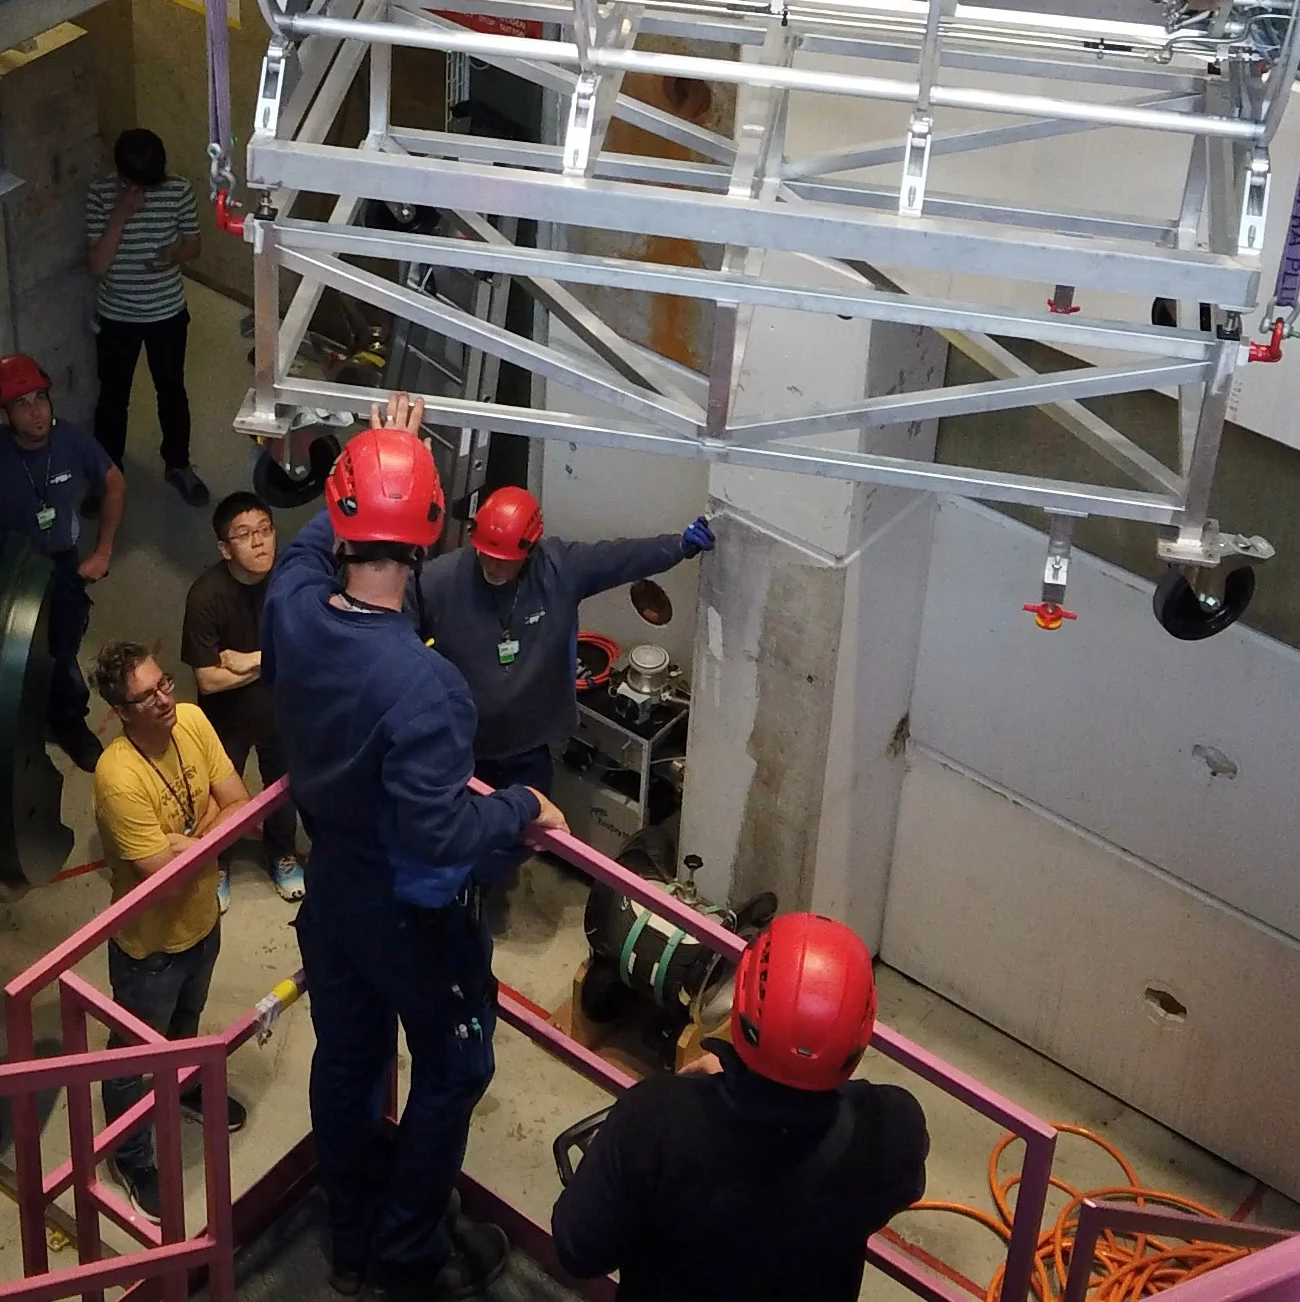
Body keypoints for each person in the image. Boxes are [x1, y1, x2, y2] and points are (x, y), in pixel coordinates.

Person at [263, 396, 569, 1301]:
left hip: (333, 888)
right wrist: (522, 804)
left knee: (348, 1056)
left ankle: (351, 1239)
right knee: (457, 1063)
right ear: (433, 530)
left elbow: (312, 544)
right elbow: (441, 829)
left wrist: (376, 451)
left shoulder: (290, 609)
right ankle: (404, 1253)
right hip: (408, 909)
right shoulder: (426, 687)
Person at [552, 912, 929, 1302]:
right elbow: (902, 1184)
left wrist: (610, 1151)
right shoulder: (891, 1134)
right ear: (859, 1034)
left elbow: (579, 1250)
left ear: (741, 1001)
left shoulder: (653, 1123)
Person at [410, 487, 716, 799]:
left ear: (529, 550)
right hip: (463, 746)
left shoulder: (559, 570)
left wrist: (678, 546)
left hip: (528, 744)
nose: (492, 566)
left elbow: (620, 557)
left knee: (528, 828)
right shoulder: (439, 582)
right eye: (485, 554)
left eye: (504, 560)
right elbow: (389, 629)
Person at [92, 642, 250, 1217]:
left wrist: (191, 841)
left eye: (164, 685)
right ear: (122, 712)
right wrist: (209, 830)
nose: (164, 699)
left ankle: (182, 1084)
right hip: (148, 947)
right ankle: (131, 1158)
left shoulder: (193, 719)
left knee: (187, 1021)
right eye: (146, 696)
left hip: (203, 922)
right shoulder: (117, 777)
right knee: (130, 1062)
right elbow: (164, 877)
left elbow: (240, 802)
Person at [0, 355, 123, 771]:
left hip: (61, 566)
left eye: (41, 398)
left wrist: (104, 551)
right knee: (9, 657)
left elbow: (114, 482)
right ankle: (19, 722)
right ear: (4, 412)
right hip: (5, 575)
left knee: (62, 651)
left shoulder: (73, 442)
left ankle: (69, 721)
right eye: (22, 403)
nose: (37, 411)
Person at [180, 492, 303, 908]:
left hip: (282, 712)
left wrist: (252, 660)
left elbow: (308, 647)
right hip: (224, 722)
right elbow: (209, 680)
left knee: (283, 790)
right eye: (245, 535)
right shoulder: (205, 596)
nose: (259, 543)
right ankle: (218, 864)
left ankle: (282, 854)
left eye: (265, 530)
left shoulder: (290, 580)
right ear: (224, 548)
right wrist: (277, 659)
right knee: (219, 797)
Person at [86, 127, 207, 507]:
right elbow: (98, 266)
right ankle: (107, 473)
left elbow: (194, 244)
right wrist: (120, 214)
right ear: (122, 175)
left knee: (171, 391)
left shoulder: (179, 190)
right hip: (117, 314)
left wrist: (174, 254)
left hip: (167, 312)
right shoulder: (100, 194)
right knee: (112, 398)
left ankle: (178, 465)